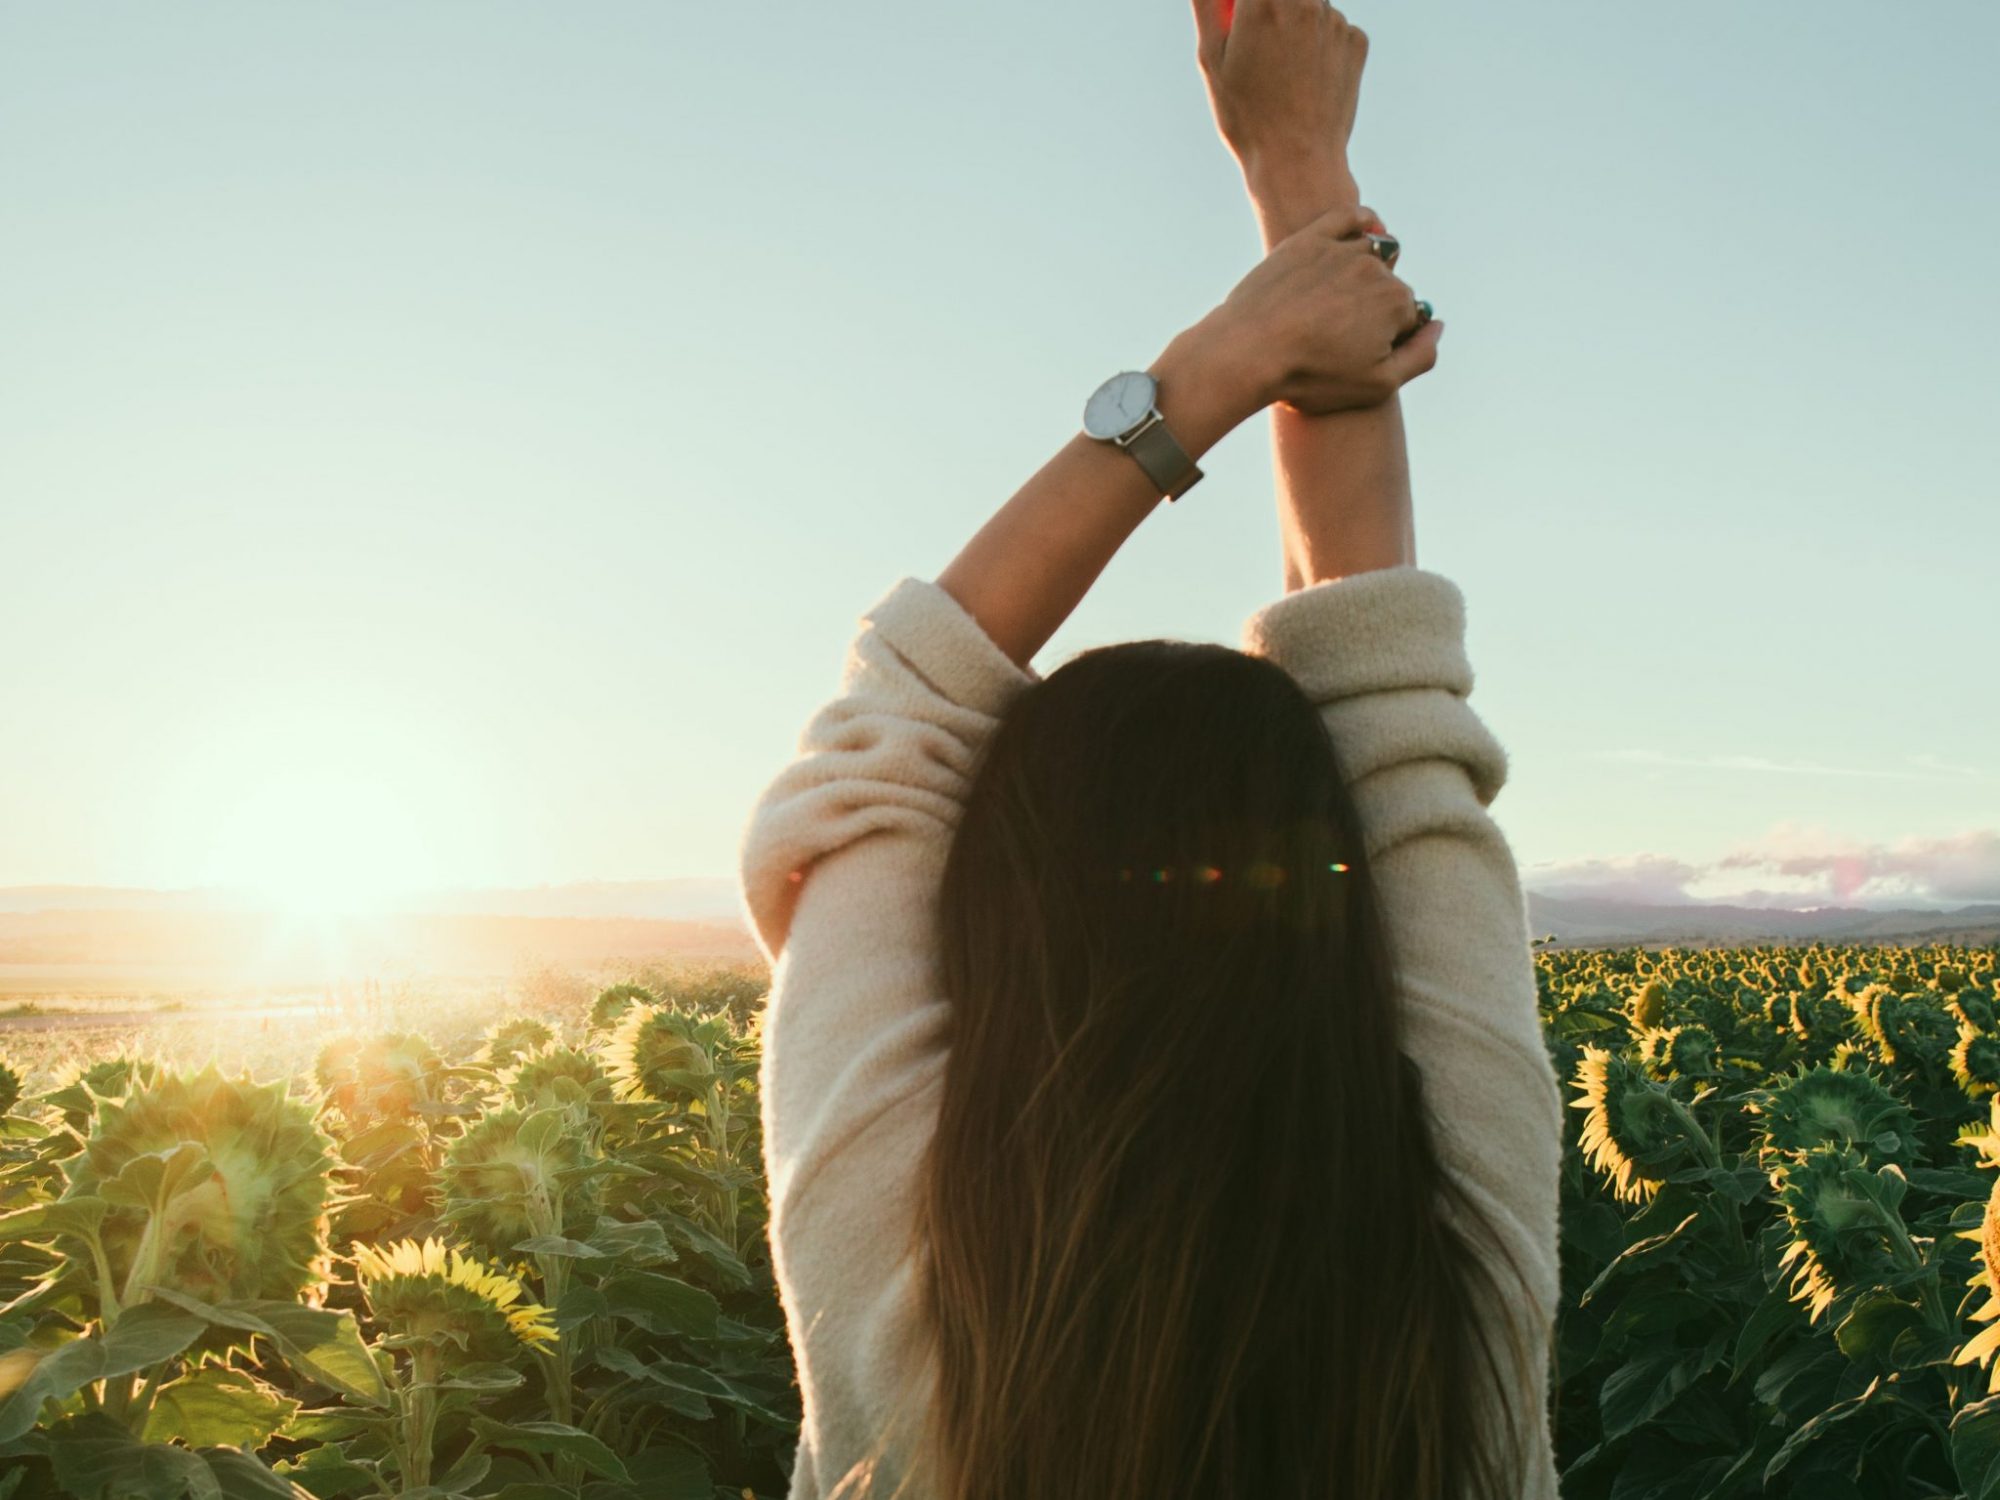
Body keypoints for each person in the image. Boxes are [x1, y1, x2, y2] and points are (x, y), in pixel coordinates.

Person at [734, 2, 1563, 1496]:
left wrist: (1217, 364)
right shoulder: (1464, 1286)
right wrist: (1301, 164)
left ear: (994, 901)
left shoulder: (908, 1298)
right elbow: (1385, 679)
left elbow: (905, 711)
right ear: (1343, 898)